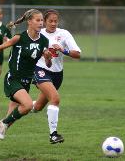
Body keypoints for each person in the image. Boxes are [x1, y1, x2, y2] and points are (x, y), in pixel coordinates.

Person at [0, 9, 52, 148]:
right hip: (13, 79)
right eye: (38, 20)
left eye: (42, 20)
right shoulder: (19, 38)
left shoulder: (44, 41)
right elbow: (0, 47)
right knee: (28, 105)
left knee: (10, 119)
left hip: (25, 83)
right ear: (29, 22)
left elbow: (48, 63)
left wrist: (48, 58)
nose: (41, 23)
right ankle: (3, 124)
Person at [7, 9, 81, 144]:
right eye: (50, 21)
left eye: (55, 21)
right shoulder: (38, 34)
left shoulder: (64, 34)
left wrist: (63, 50)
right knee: (55, 98)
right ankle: (53, 135)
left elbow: (77, 54)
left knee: (39, 106)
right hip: (40, 70)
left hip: (57, 74)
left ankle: (21, 109)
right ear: (44, 22)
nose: (53, 23)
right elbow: (23, 40)